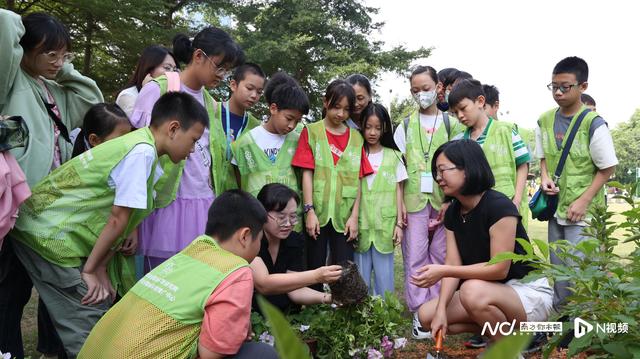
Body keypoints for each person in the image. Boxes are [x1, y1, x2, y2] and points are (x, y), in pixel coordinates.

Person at [10, 92, 208, 357]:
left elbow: (122, 221)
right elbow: (118, 218)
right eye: (193, 140)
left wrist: (101, 266)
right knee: (88, 320)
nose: (193, 149)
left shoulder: (140, 148)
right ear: (173, 129)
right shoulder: (142, 153)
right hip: (47, 236)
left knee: (99, 308)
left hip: (50, 232)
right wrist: (91, 269)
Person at [0, 9, 103, 358]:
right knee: (7, 294)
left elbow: (92, 103)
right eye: (49, 53)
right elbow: (3, 22)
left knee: (21, 290)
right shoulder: (11, 79)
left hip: (40, 211)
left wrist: (66, 67)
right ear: (23, 50)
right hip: (13, 206)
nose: (58, 62)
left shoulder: (51, 89)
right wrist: (26, 28)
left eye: (64, 54)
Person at [78, 190, 278, 359]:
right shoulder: (236, 270)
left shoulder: (192, 252)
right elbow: (212, 354)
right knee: (260, 353)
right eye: (260, 239)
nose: (259, 247)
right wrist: (237, 331)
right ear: (245, 236)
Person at [414, 140, 553, 354]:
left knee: (470, 290)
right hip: (489, 291)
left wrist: (443, 270)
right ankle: (511, 336)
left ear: (468, 169)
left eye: (443, 170)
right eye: (436, 172)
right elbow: (453, 262)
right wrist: (441, 309)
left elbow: (499, 268)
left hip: (526, 291)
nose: (439, 178)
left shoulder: (499, 207)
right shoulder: (453, 212)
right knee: (427, 316)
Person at [130, 28, 244, 272]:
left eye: (227, 70)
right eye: (220, 67)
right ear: (199, 56)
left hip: (202, 204)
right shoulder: (159, 90)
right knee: (160, 283)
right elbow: (137, 155)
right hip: (166, 204)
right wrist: (132, 222)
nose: (223, 76)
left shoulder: (211, 104)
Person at [536, 56, 616, 309]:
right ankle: (562, 326)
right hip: (555, 208)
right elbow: (543, 157)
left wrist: (584, 200)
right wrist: (545, 177)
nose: (558, 92)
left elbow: (608, 168)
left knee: (581, 271)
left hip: (582, 212)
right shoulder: (544, 120)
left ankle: (583, 328)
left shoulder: (593, 123)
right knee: (558, 269)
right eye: (553, 86)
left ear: (583, 87)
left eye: (565, 86)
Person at [392, 65, 464, 339]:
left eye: (425, 88)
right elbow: (398, 169)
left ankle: (437, 307)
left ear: (438, 88)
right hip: (414, 201)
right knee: (415, 256)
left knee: (441, 256)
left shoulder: (451, 124)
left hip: (445, 200)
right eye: (415, 90)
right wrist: (399, 208)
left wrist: (451, 200)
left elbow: (461, 165)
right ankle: (418, 311)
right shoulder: (405, 126)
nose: (421, 94)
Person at [292, 79, 373, 291]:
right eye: (337, 107)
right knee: (315, 264)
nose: (341, 114)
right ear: (325, 102)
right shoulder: (311, 132)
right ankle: (313, 311)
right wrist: (309, 210)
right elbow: (307, 173)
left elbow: (359, 179)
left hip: (344, 215)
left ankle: (342, 310)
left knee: (344, 268)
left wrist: (354, 217)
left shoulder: (357, 138)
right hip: (317, 211)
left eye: (347, 109)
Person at [449, 79, 531, 229]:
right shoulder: (460, 141)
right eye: (455, 113)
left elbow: (522, 165)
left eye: (463, 108)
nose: (459, 116)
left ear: (480, 101)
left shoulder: (506, 131)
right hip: (474, 211)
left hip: (506, 206)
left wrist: (517, 200)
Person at [251, 183, 342, 313]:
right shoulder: (252, 240)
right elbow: (264, 284)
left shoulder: (293, 240)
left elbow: (295, 289)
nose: (288, 224)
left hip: (287, 317)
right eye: (281, 217)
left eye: (293, 217)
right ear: (262, 214)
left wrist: (330, 298)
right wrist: (317, 276)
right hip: (256, 318)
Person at [232, 72, 309, 203]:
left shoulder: (298, 141)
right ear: (273, 108)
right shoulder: (245, 143)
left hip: (290, 219)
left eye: (297, 121)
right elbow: (238, 182)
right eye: (289, 118)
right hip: (258, 217)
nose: (292, 125)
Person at [355, 103, 406, 297]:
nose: (372, 132)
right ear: (361, 126)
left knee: (385, 277)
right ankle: (362, 315)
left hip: (385, 225)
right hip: (361, 224)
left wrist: (399, 225)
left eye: (378, 127)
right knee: (360, 277)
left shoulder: (395, 156)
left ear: (385, 127)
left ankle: (384, 316)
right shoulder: (356, 154)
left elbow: (398, 191)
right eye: (368, 127)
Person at [115, 45, 178, 117]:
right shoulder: (128, 96)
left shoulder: (171, 96)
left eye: (175, 69)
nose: (172, 73)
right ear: (149, 69)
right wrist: (147, 92)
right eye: (167, 68)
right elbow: (143, 125)